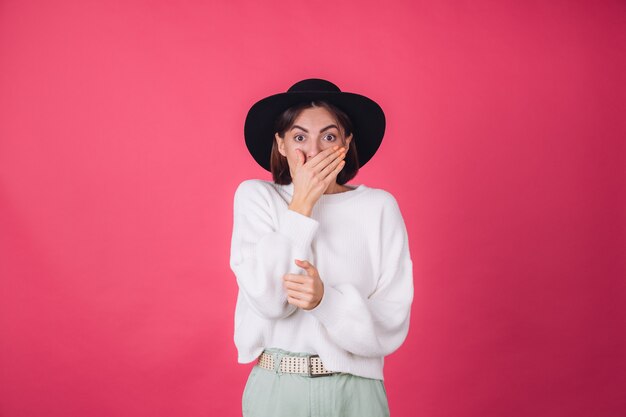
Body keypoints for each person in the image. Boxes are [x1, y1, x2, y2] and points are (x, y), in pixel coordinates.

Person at [230, 78, 414, 417]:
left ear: (346, 142)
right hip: (278, 387)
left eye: (328, 136)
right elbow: (269, 301)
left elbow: (391, 322)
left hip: (356, 393)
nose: (313, 151)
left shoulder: (379, 207)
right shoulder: (257, 198)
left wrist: (325, 301)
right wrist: (301, 203)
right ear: (281, 144)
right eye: (300, 137)